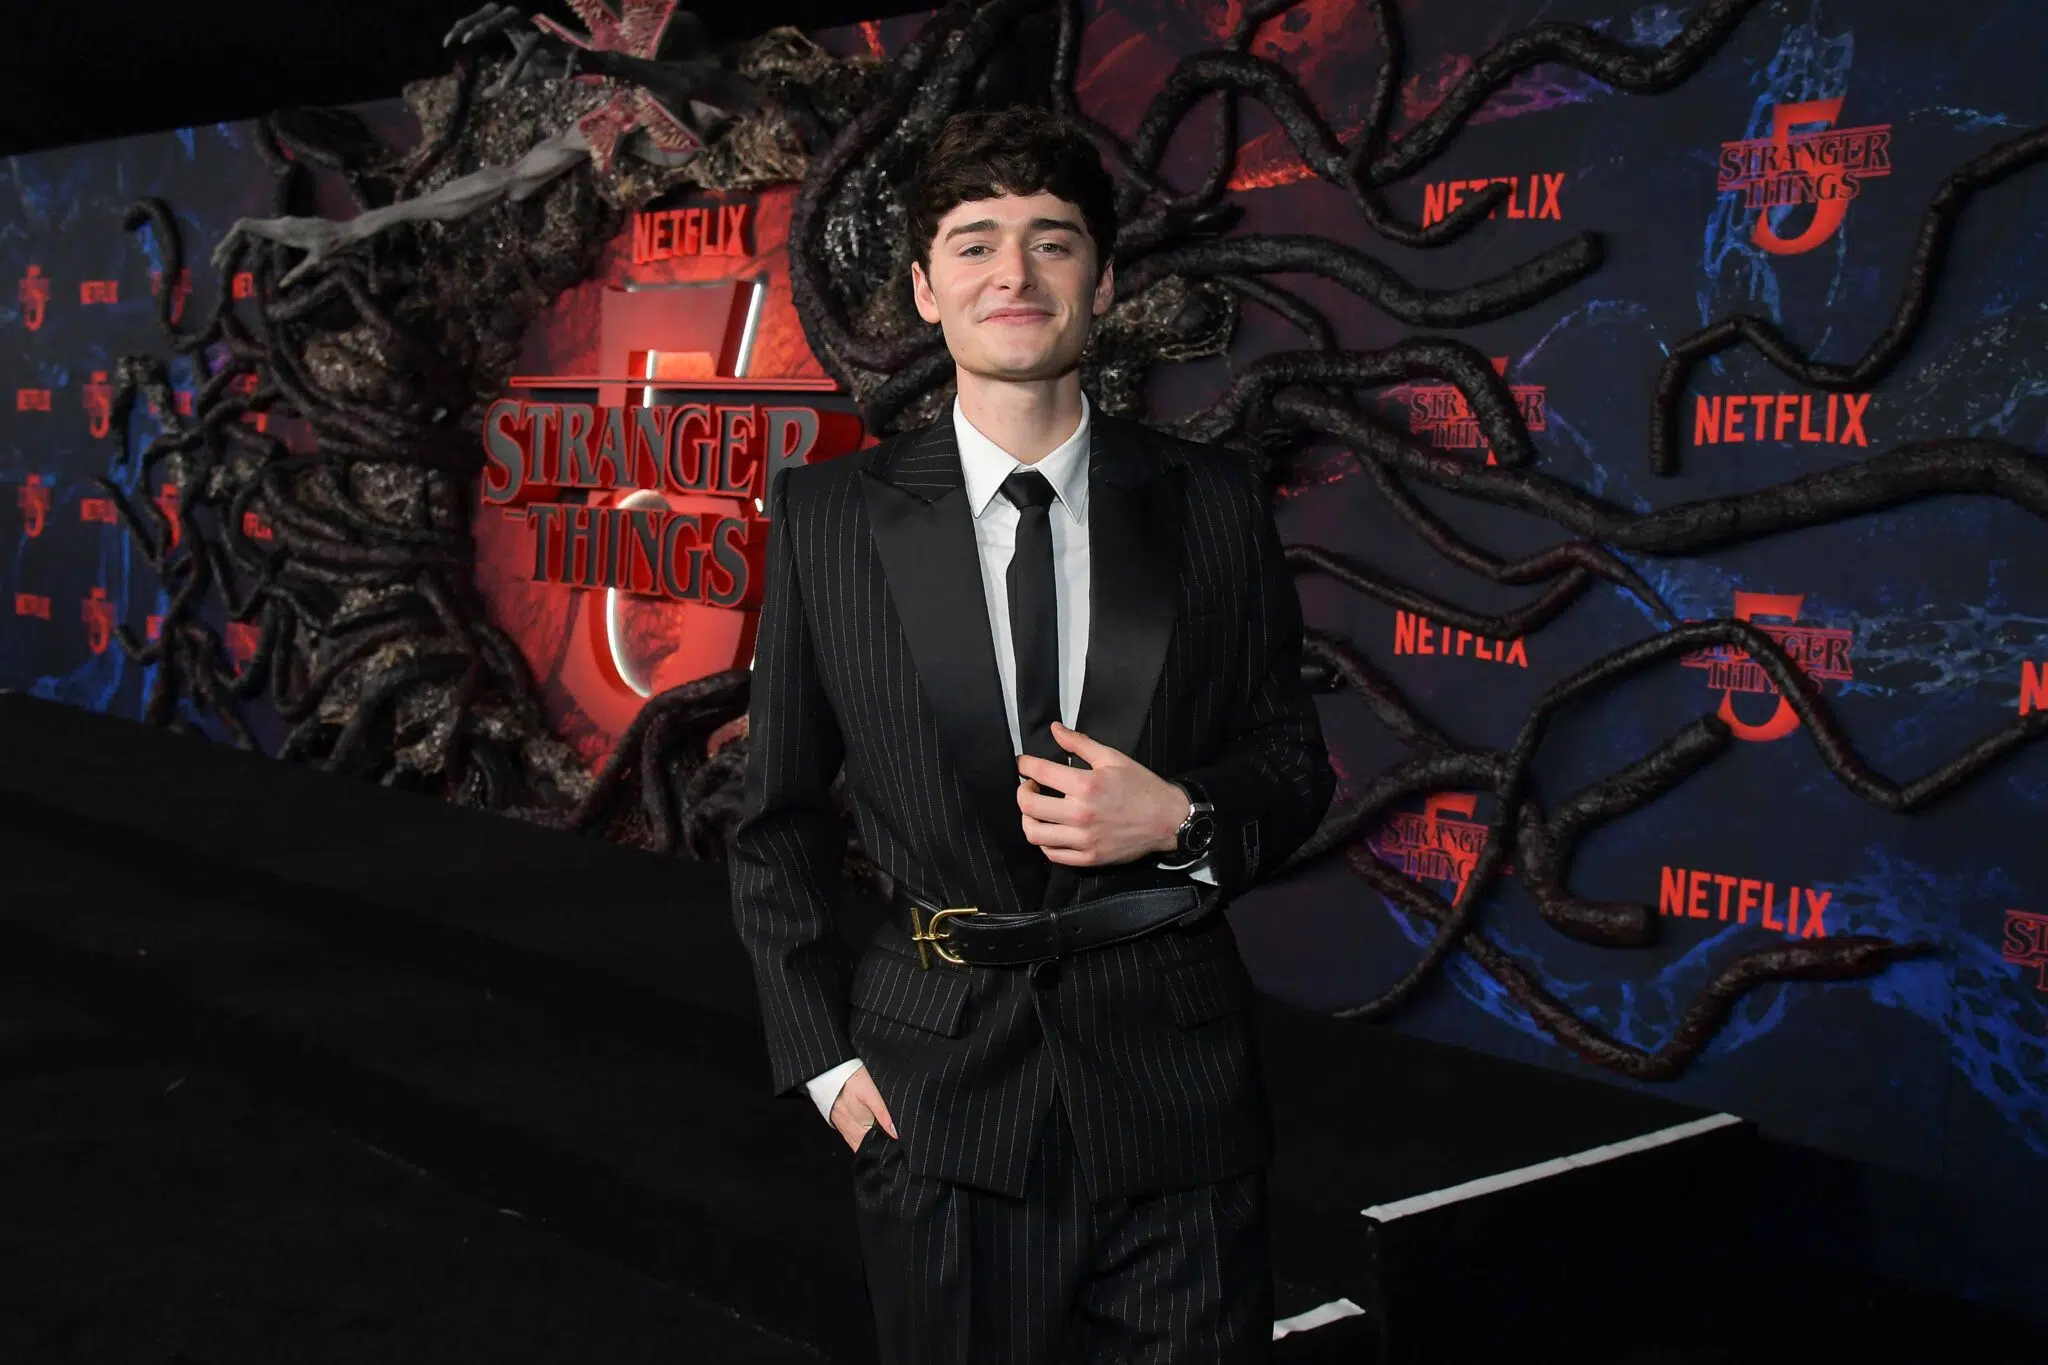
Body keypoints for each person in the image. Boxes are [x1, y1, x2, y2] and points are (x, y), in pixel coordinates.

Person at [730, 105, 1335, 1364]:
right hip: (936, 1103)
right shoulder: (830, 516)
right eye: (974, 244)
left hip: (1176, 1097)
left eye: (1051, 241)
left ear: (1100, 283)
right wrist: (824, 1064)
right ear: (925, 289)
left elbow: (1290, 763)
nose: (1013, 272)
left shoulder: (1213, 499)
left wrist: (1182, 818)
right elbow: (775, 816)